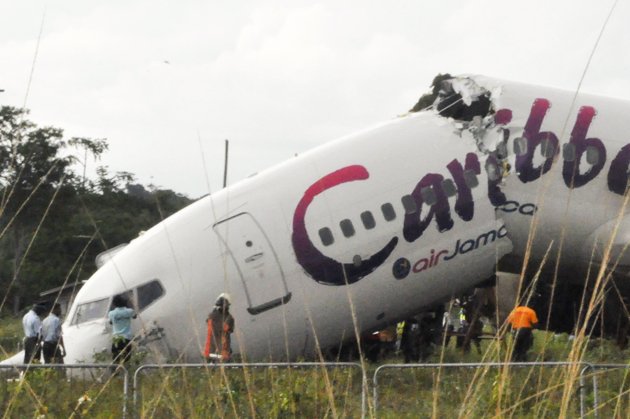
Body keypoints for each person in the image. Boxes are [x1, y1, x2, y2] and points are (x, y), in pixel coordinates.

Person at [204, 293, 235, 362]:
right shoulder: (229, 318)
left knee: (211, 370)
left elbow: (208, 321)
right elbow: (230, 330)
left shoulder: (211, 317)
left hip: (209, 352)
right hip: (223, 353)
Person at [108, 294, 137, 365]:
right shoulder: (129, 311)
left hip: (116, 339)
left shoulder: (111, 313)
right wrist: (127, 306)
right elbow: (135, 316)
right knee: (126, 359)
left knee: (115, 359)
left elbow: (111, 322)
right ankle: (126, 374)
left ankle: (115, 374)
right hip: (126, 339)